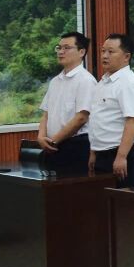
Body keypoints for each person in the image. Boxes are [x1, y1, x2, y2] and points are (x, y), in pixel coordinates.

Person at [88, 33, 134, 184]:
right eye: (103, 51)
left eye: (111, 52)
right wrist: (93, 152)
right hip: (102, 153)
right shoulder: (102, 83)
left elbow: (132, 121)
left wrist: (121, 157)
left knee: (124, 198)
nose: (105, 56)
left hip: (123, 154)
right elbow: (97, 119)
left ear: (126, 56)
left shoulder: (130, 83)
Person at [37, 31, 97, 175]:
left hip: (75, 146)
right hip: (53, 146)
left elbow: (81, 118)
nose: (61, 52)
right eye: (59, 48)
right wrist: (41, 137)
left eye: (66, 48)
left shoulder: (86, 80)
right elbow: (46, 114)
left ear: (81, 52)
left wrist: (53, 141)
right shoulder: (55, 81)